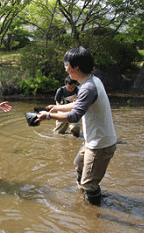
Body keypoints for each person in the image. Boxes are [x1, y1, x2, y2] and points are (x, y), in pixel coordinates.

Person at [35, 46, 117, 205]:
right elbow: (79, 105)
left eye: (66, 64)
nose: (64, 67)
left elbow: (74, 116)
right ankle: (84, 197)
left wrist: (48, 116)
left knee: (89, 183)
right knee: (78, 164)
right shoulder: (92, 80)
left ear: (75, 67)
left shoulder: (87, 87)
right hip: (93, 140)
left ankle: (95, 214)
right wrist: (57, 107)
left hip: (100, 144)